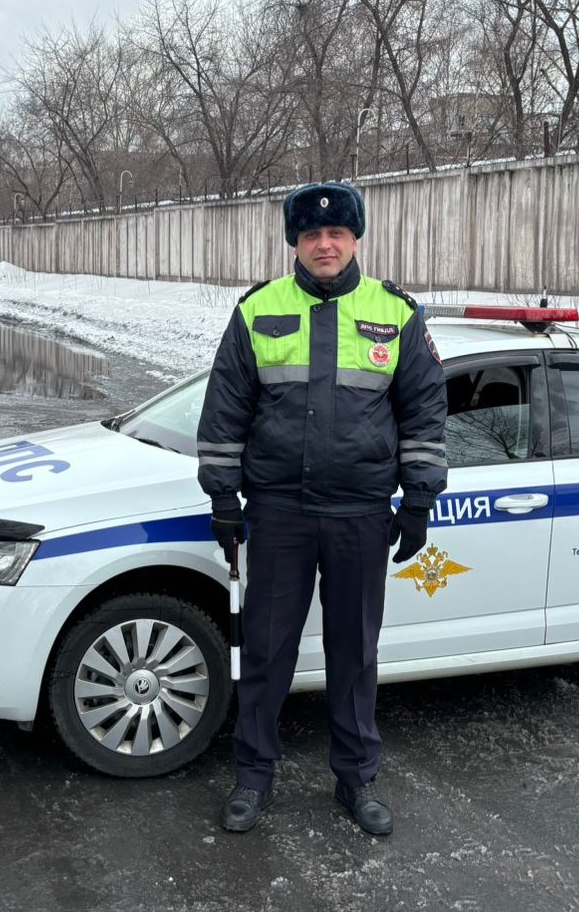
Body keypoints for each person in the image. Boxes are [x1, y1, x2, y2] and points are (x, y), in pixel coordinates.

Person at [197, 181, 447, 836]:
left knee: (354, 654)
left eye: (336, 234)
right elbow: (225, 409)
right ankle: (252, 776)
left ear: (356, 238)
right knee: (266, 653)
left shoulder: (394, 312)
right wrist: (224, 496)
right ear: (296, 242)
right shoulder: (258, 310)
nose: (325, 243)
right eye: (311, 234)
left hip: (362, 515)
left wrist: (418, 498)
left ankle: (357, 778)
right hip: (279, 513)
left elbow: (424, 412)